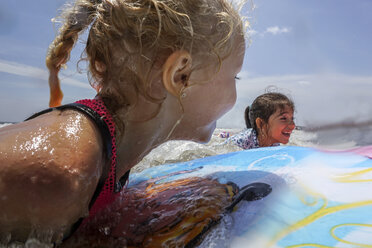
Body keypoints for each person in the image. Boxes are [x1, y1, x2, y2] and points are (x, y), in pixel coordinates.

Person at [0, 0, 246, 245]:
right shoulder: (63, 174)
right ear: (181, 75)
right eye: (234, 75)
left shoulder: (113, 155)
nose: (236, 91)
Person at [224, 92, 295, 149]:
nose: (293, 126)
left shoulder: (274, 144)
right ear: (261, 124)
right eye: (283, 118)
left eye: (292, 119)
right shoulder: (240, 143)